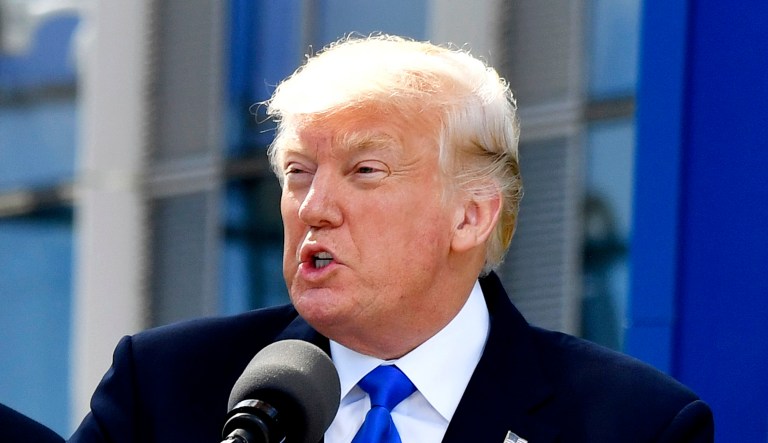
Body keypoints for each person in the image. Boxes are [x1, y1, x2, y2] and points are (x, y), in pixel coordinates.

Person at [69, 34, 713, 443]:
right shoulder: (165, 388)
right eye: (298, 173)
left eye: (364, 171)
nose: (314, 208)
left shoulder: (633, 424)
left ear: (470, 216)